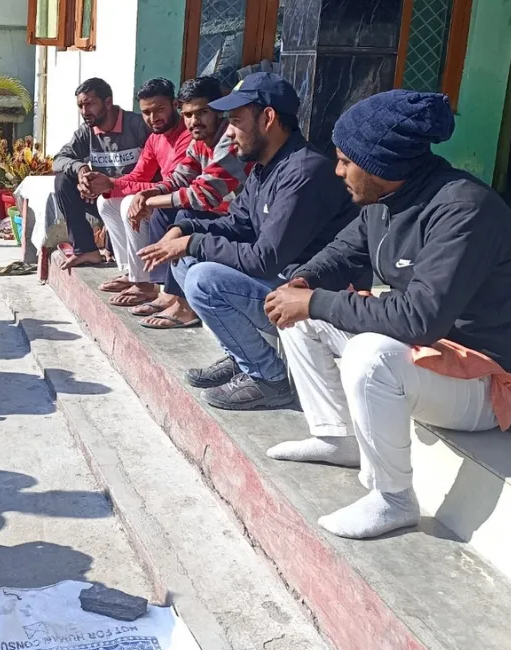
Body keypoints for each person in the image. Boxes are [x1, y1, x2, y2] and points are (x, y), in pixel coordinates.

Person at [263, 90, 511, 540]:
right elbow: (340, 255)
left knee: (370, 354)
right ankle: (336, 437)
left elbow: (419, 319)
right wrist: (303, 282)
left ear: (382, 163)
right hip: (434, 356)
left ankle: (394, 499)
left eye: (347, 161)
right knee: (301, 313)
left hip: (489, 382)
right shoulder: (385, 201)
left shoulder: (464, 209)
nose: (338, 170)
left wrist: (315, 300)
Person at [138, 72, 359, 410]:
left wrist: (193, 243)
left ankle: (267, 378)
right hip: (278, 284)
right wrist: (183, 231)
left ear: (268, 118)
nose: (229, 132)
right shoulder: (264, 167)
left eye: (237, 121)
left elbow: (265, 258)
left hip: (311, 298)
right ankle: (240, 356)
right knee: (185, 260)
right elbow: (236, 223)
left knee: (202, 276)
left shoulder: (304, 172)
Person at [127, 76, 252, 328]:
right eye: (187, 115)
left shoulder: (229, 140)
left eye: (202, 112)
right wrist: (149, 194)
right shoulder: (200, 140)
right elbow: (181, 177)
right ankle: (168, 293)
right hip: (218, 214)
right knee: (166, 213)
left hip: (242, 221)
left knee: (183, 216)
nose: (194, 121)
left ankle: (185, 307)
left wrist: (151, 201)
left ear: (218, 110)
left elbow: (203, 194)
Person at [83, 78, 193, 307]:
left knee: (128, 203)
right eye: (146, 112)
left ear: (175, 104)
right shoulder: (154, 138)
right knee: (107, 203)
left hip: (184, 202)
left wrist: (114, 184)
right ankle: (130, 273)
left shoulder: (187, 135)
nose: (153, 118)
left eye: (160, 109)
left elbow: (176, 183)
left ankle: (145, 283)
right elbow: (139, 175)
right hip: (163, 198)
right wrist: (106, 184)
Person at [53, 77, 151, 269]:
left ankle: (116, 250)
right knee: (63, 180)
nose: (84, 112)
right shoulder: (86, 132)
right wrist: (81, 170)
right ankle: (85, 250)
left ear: (108, 102)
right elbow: (59, 159)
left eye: (89, 104)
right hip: (102, 200)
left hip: (136, 200)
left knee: (122, 251)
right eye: (80, 106)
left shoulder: (138, 126)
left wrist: (112, 184)